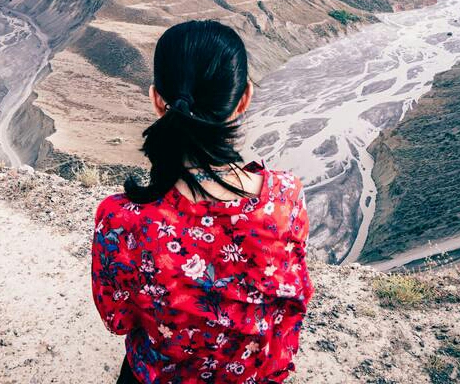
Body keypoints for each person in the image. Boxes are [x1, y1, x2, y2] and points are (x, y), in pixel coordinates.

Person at [90, 20, 313, 384]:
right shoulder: (285, 200)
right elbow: (290, 302)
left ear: (157, 100)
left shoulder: (121, 218)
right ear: (245, 99)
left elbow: (117, 319)